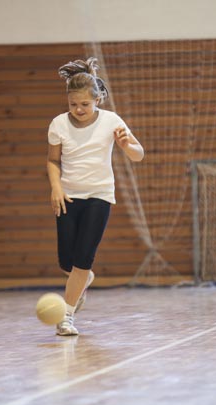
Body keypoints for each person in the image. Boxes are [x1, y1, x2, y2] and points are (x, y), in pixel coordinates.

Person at [46, 57, 144, 335]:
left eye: (85, 104)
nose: (79, 109)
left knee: (82, 258)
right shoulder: (58, 124)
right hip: (68, 196)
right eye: (73, 104)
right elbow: (53, 160)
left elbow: (139, 154)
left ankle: (66, 317)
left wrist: (126, 145)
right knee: (66, 262)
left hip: (99, 196)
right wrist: (56, 187)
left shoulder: (112, 121)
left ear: (98, 99)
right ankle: (84, 279)